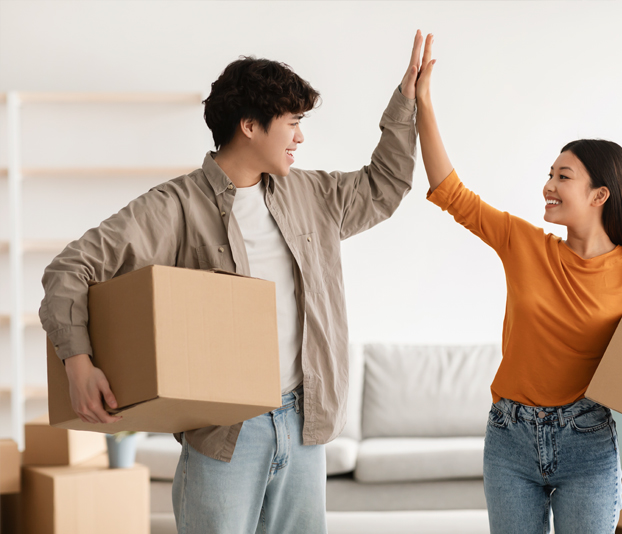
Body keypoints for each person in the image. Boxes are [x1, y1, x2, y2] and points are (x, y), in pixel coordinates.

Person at [39, 31, 426, 534]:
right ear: (249, 126)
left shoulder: (313, 195)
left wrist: (406, 104)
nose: (300, 138)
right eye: (293, 124)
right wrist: (78, 362)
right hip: (225, 433)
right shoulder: (175, 207)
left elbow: (385, 185)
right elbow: (70, 269)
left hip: (304, 422)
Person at [413, 35, 622, 534]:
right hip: (509, 439)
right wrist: (423, 103)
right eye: (549, 173)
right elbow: (450, 192)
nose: (548, 185)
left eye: (562, 176)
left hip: (587, 442)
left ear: (599, 195)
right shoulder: (525, 245)